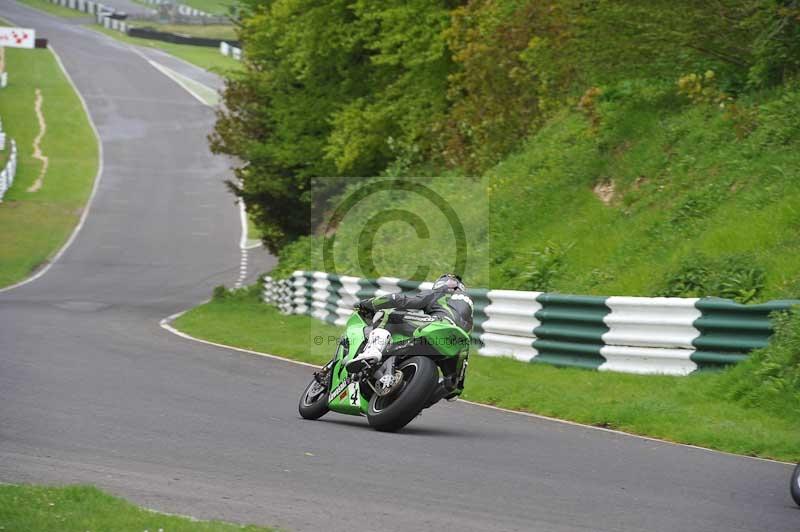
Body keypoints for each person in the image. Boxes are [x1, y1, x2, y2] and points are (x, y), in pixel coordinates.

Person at [345, 273, 474, 371]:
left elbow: (402, 300)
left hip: (437, 324)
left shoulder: (440, 293)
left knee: (388, 315)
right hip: (455, 345)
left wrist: (367, 304)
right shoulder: (469, 311)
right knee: (450, 387)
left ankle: (372, 351)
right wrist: (455, 384)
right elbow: (466, 341)